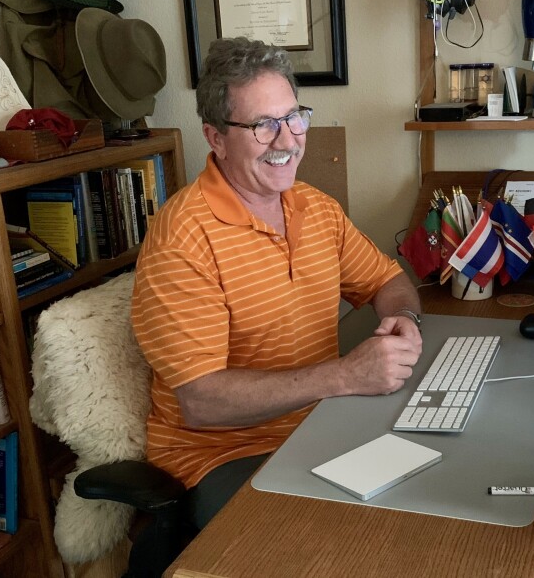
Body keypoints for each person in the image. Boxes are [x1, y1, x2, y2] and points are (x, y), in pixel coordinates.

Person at [131, 37, 423, 531]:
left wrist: (405, 320)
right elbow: (201, 401)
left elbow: (388, 280)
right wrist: (346, 376)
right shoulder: (182, 237)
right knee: (342, 543)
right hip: (225, 455)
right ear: (216, 137)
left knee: (428, 502)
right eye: (263, 125)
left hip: (323, 426)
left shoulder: (315, 206)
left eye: (294, 117)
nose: (287, 140)